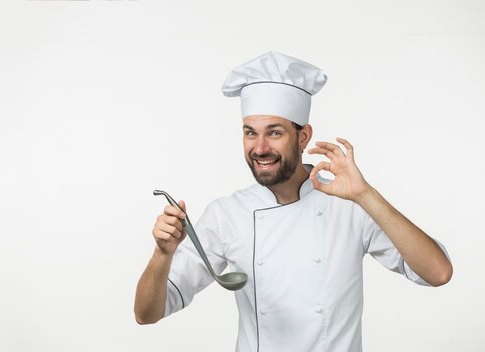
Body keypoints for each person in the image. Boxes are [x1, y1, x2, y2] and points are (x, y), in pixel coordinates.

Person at [134, 51, 452, 352]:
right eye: (249, 133)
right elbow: (147, 313)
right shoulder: (226, 215)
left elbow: (438, 273)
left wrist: (365, 195)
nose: (259, 148)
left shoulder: (351, 206)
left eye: (274, 133)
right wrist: (162, 254)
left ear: (303, 137)